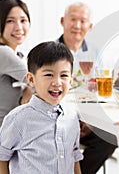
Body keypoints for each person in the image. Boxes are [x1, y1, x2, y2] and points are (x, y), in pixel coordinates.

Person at [0, 41, 83, 173]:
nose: (57, 82)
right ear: (31, 79)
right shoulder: (17, 119)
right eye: (49, 75)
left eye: (64, 75)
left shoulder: (72, 117)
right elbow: (2, 157)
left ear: (71, 81)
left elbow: (74, 156)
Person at [57, 2, 117, 174]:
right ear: (63, 21)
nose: (77, 25)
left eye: (82, 21)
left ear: (89, 27)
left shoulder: (94, 52)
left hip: (88, 119)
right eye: (72, 19)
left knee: (110, 138)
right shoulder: (50, 51)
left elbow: (100, 91)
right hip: (59, 118)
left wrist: (91, 120)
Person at [0, 0, 33, 126]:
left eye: (23, 20)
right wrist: (31, 87)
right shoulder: (3, 52)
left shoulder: (18, 55)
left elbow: (35, 81)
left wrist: (30, 88)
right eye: (10, 21)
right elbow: (41, 81)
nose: (19, 27)